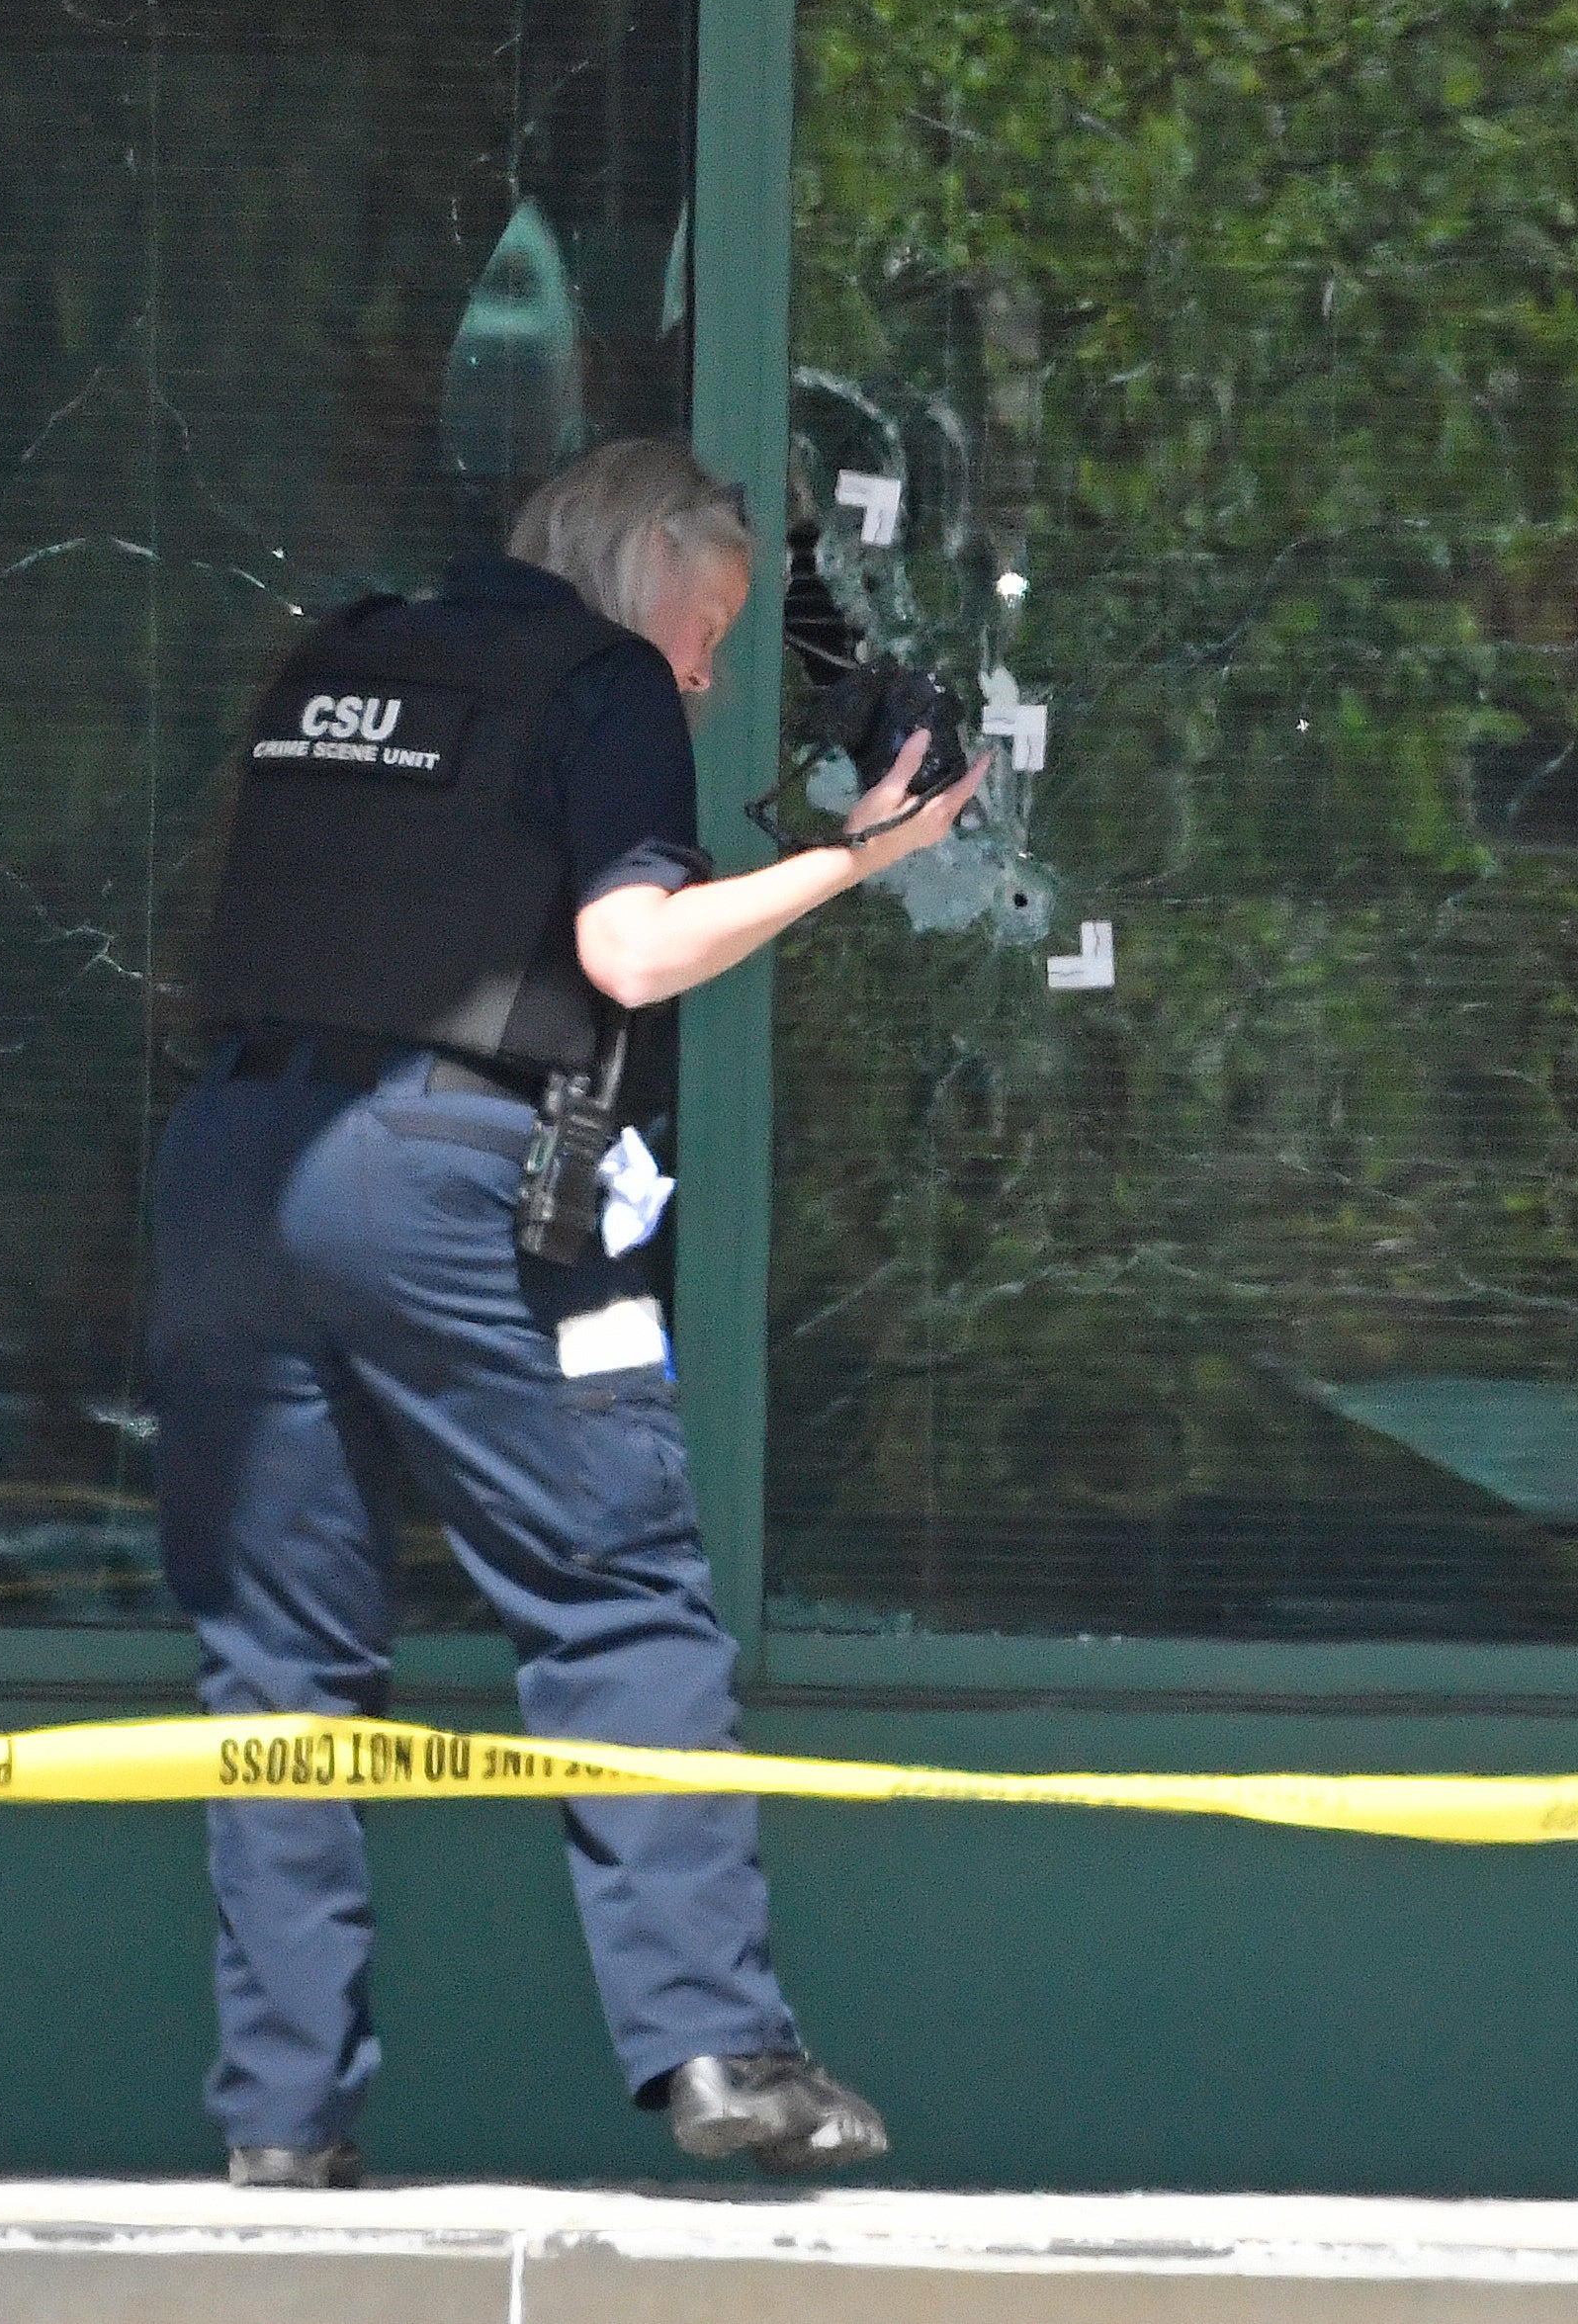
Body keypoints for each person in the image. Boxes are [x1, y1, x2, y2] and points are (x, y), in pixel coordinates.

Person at [149, 435, 987, 2187]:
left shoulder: (337, 657)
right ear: (644, 560)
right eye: (713, 619)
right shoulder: (595, 678)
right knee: (615, 1606)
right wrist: (863, 853)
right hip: (446, 1175)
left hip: (233, 1165)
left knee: (280, 1670)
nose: (705, 668)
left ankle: (282, 2134)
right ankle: (721, 2052)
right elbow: (633, 956)